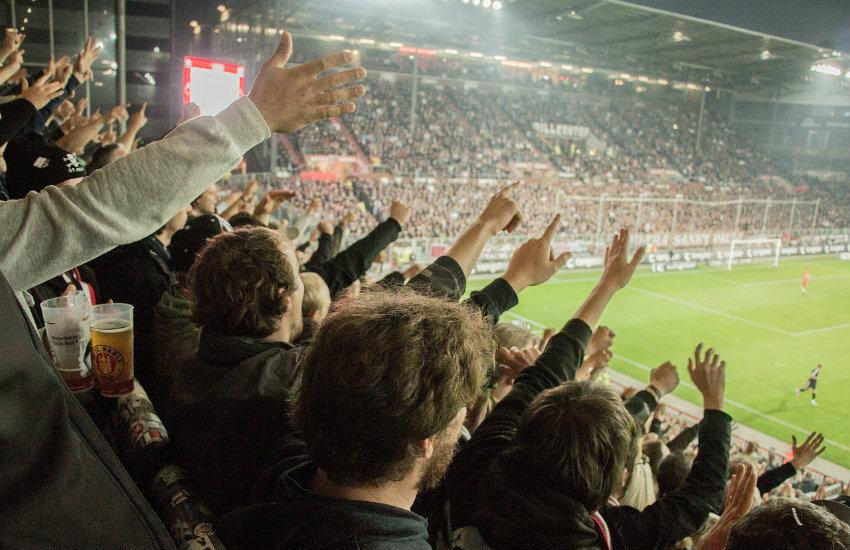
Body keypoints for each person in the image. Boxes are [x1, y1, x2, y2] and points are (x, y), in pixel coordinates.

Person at [0, 31, 367, 547]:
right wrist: (251, 118)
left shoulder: (198, 362)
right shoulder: (271, 383)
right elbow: (95, 208)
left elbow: (86, 209)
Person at [215, 191, 569, 549]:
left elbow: (392, 341)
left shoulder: (279, 468)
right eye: (459, 407)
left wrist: (490, 236)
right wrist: (507, 269)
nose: (463, 415)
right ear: (424, 441)